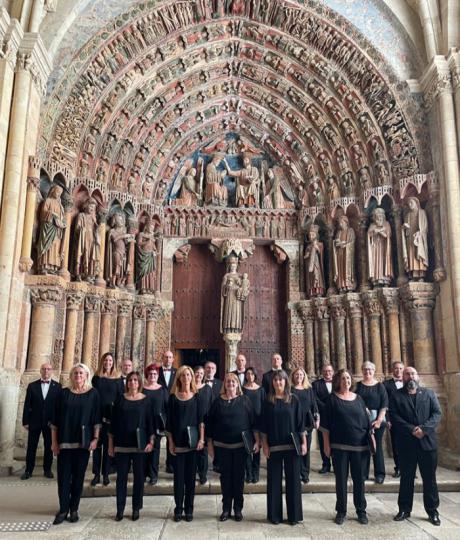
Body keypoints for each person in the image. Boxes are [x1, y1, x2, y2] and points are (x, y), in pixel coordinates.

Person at [390, 366, 442, 526]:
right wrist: (412, 429)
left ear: (417, 376)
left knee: (430, 479)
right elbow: (394, 416)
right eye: (407, 374)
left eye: (412, 373)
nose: (410, 376)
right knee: (406, 478)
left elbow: (437, 413)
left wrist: (424, 429)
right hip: (407, 443)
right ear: (403, 377)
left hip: (427, 443)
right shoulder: (396, 395)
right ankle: (404, 509)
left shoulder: (429, 393)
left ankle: (432, 511)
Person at [50, 363, 101, 525]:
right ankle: (63, 508)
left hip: (83, 442)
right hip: (64, 441)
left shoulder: (93, 394)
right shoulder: (63, 393)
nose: (78, 375)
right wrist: (53, 442)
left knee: (79, 477)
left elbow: (96, 419)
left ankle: (74, 509)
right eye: (76, 373)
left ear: (86, 375)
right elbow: (55, 420)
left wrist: (95, 439)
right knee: (64, 477)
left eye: (81, 373)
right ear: (71, 376)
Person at [322, 369, 371, 525]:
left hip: (360, 446)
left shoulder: (359, 399)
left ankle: (361, 511)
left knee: (359, 480)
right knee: (341, 480)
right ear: (338, 381)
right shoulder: (331, 400)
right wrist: (326, 445)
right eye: (343, 378)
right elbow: (325, 426)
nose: (346, 381)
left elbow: (366, 421)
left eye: (348, 378)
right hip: (339, 446)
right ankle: (341, 511)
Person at [208, 373, 258, 522]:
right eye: (228, 381)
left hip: (240, 447)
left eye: (233, 381)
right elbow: (210, 424)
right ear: (224, 384)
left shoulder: (245, 400)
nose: (230, 384)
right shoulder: (217, 402)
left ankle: (238, 509)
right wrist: (210, 444)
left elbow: (253, 422)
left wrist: (257, 441)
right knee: (225, 478)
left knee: (238, 478)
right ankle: (225, 509)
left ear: (237, 384)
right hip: (222, 447)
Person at [260, 370, 307, 526]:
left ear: (286, 381)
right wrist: (265, 445)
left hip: (292, 446)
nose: (278, 382)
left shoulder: (294, 400)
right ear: (272, 383)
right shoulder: (268, 401)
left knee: (293, 481)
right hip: (274, 447)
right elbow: (264, 427)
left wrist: (304, 442)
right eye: (275, 380)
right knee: (273, 481)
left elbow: (300, 424)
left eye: (281, 380)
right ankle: (274, 515)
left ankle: (294, 516)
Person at [108, 371, 154, 521]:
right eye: (130, 380)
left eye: (135, 380)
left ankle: (136, 508)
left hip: (139, 445)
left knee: (139, 478)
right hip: (122, 444)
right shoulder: (120, 400)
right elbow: (113, 424)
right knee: (121, 478)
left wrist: (151, 441)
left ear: (139, 382)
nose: (132, 382)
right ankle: (120, 509)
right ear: (127, 382)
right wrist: (110, 445)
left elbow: (150, 423)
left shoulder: (146, 400)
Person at [166, 366, 205, 522]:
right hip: (178, 443)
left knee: (190, 479)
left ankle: (189, 509)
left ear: (192, 377)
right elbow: (169, 423)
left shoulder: (197, 397)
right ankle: (178, 509)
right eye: (183, 375)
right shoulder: (173, 397)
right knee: (178, 479)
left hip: (193, 443)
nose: (186, 377)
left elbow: (201, 420)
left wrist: (202, 439)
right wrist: (170, 442)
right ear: (179, 378)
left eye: (189, 374)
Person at [22, 362, 61, 480]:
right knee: (31, 447)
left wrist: (57, 423)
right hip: (34, 421)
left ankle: (47, 470)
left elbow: (58, 407)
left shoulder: (58, 387)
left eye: (48, 369)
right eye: (43, 369)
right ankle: (28, 470)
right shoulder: (32, 386)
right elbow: (27, 404)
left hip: (50, 423)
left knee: (49, 446)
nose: (46, 371)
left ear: (52, 371)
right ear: (40, 371)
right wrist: (25, 421)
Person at [91, 353, 123, 487]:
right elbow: (91, 395)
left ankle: (105, 474)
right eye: (106, 360)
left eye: (110, 360)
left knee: (108, 446)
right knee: (97, 446)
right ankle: (96, 474)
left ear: (113, 363)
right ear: (102, 362)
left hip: (111, 416)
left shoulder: (118, 379)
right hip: (97, 415)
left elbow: (121, 397)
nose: (108, 362)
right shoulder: (96, 378)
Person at [356, 361, 388, 484]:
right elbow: (354, 400)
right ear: (362, 371)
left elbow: (384, 405)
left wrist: (379, 420)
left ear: (374, 371)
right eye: (365, 369)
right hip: (361, 421)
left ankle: (379, 474)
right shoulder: (358, 386)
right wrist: (363, 408)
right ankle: (363, 474)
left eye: (370, 369)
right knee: (364, 447)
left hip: (377, 420)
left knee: (377, 447)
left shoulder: (380, 386)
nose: (367, 371)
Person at [291, 367, 319, 484]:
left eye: (301, 375)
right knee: (295, 448)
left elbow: (314, 405)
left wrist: (317, 419)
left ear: (304, 376)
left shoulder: (309, 389)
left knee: (305, 449)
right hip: (293, 422)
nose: (299, 377)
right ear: (293, 376)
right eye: (297, 375)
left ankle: (305, 473)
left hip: (307, 422)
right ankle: (295, 473)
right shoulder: (290, 389)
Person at [143, 364, 168, 486]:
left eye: (155, 374)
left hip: (157, 424)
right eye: (150, 374)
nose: (152, 376)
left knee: (155, 451)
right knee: (143, 449)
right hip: (143, 423)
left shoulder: (162, 390)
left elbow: (166, 407)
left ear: (158, 376)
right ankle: (143, 474)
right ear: (147, 375)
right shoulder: (141, 389)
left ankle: (153, 475)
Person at [242, 367, 265, 483]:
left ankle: (256, 473)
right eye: (248, 373)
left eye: (252, 374)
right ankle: (249, 473)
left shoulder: (261, 390)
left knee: (256, 449)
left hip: (258, 422)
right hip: (245, 422)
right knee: (246, 448)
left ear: (255, 376)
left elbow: (264, 406)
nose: (250, 376)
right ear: (246, 375)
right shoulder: (242, 389)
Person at [384, 361, 404, 478]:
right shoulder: (386, 384)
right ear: (392, 370)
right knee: (396, 445)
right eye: (396, 368)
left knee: (410, 445)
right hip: (394, 418)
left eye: (401, 368)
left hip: (409, 419)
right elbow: (385, 403)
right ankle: (399, 468)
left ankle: (409, 469)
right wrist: (387, 419)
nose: (398, 371)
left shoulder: (409, 383)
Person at [313, 364, 334, 473]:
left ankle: (336, 464)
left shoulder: (338, 382)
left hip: (336, 415)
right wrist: (325, 407)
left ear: (333, 372)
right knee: (323, 441)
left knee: (335, 440)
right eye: (325, 371)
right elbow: (314, 398)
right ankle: (326, 464)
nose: (327, 373)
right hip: (322, 416)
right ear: (322, 372)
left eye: (329, 371)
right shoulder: (316, 384)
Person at [158, 351, 177, 473]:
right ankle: (153, 466)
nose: (168, 359)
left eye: (170, 357)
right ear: (162, 358)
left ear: (173, 359)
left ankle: (170, 465)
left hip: (173, 408)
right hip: (159, 409)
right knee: (157, 438)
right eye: (166, 357)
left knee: (172, 436)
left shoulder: (177, 372)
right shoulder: (156, 371)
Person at [194, 365, 212, 484]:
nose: (199, 375)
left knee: (203, 451)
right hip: (191, 422)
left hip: (204, 422)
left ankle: (203, 475)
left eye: (201, 373)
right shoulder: (189, 388)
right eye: (197, 373)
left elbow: (211, 405)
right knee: (192, 449)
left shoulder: (207, 389)